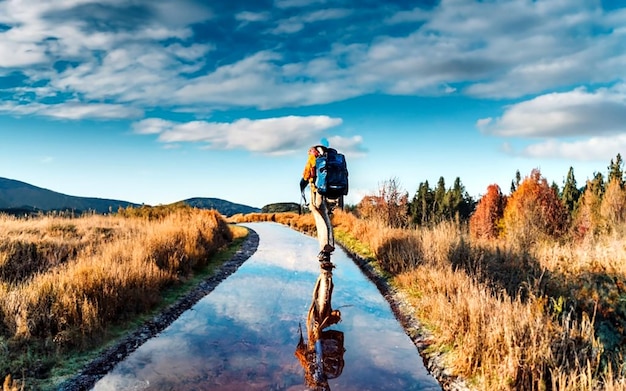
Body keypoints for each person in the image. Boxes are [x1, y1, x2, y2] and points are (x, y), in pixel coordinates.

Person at [300, 141, 335, 265]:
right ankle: (327, 247)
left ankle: (325, 247)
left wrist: (302, 185)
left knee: (318, 214)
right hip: (332, 193)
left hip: (318, 191)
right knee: (325, 217)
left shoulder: (313, 157)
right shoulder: (331, 160)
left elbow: (306, 174)